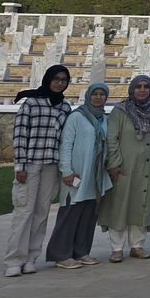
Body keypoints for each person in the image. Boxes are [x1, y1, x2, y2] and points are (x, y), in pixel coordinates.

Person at [98, 75, 150, 263]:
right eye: (138, 86)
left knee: (143, 203)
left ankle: (137, 245)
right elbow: (111, 138)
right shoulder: (120, 111)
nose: (142, 90)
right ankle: (117, 248)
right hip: (125, 166)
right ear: (132, 89)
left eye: (146, 86)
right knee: (119, 204)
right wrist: (114, 163)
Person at [4, 64, 73, 277]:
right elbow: (20, 134)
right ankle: (15, 260)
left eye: (64, 80)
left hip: (51, 166)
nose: (59, 83)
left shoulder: (65, 107)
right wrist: (20, 166)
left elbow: (65, 139)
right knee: (24, 211)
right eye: (56, 79)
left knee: (42, 213)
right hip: (30, 165)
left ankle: (31, 258)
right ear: (48, 79)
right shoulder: (31, 103)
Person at [45, 82, 111, 269]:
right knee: (70, 213)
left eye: (102, 94)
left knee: (88, 215)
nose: (98, 97)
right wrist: (66, 171)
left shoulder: (103, 119)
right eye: (95, 94)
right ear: (88, 95)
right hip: (76, 174)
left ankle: (81, 252)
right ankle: (61, 254)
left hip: (94, 175)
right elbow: (66, 145)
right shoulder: (77, 117)